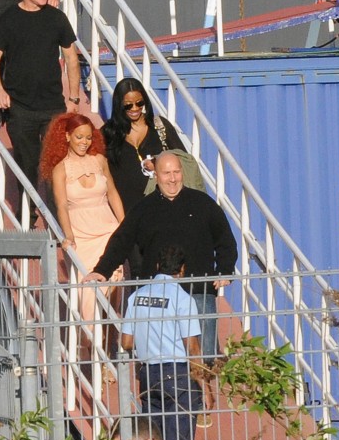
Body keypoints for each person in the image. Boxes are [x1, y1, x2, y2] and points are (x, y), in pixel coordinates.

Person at [84, 151, 238, 361]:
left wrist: (224, 271)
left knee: (204, 360)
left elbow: (225, 240)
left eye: (176, 172)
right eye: (166, 173)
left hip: (199, 292)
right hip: (158, 298)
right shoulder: (143, 208)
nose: (172, 179)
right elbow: (121, 240)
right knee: (159, 361)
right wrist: (102, 270)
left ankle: (203, 381)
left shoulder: (203, 203)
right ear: (156, 175)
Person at [0, 0, 81, 227]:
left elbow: (71, 58)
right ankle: (27, 217)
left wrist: (74, 99)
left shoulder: (57, 18)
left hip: (53, 106)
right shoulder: (8, 19)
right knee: (27, 165)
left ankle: (59, 221)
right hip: (21, 108)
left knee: (56, 164)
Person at [121, 245, 209, 440]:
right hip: (177, 374)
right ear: (182, 270)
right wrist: (205, 387)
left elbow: (126, 342)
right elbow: (193, 348)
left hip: (148, 374)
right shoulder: (183, 299)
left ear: (158, 266)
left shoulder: (137, 296)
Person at [40, 112, 124, 326]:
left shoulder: (100, 160)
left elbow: (113, 193)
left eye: (88, 137)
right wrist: (68, 236)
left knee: (112, 284)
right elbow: (61, 206)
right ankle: (91, 342)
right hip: (81, 237)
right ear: (67, 136)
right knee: (87, 295)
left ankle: (109, 340)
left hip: (108, 231)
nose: (84, 142)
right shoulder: (60, 169)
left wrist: (125, 226)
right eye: (79, 137)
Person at [101, 78, 185, 215]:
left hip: (164, 209)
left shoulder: (160, 127)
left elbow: (183, 159)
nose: (135, 108)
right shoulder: (107, 134)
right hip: (128, 213)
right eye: (128, 105)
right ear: (118, 104)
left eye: (139, 103)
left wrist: (158, 162)